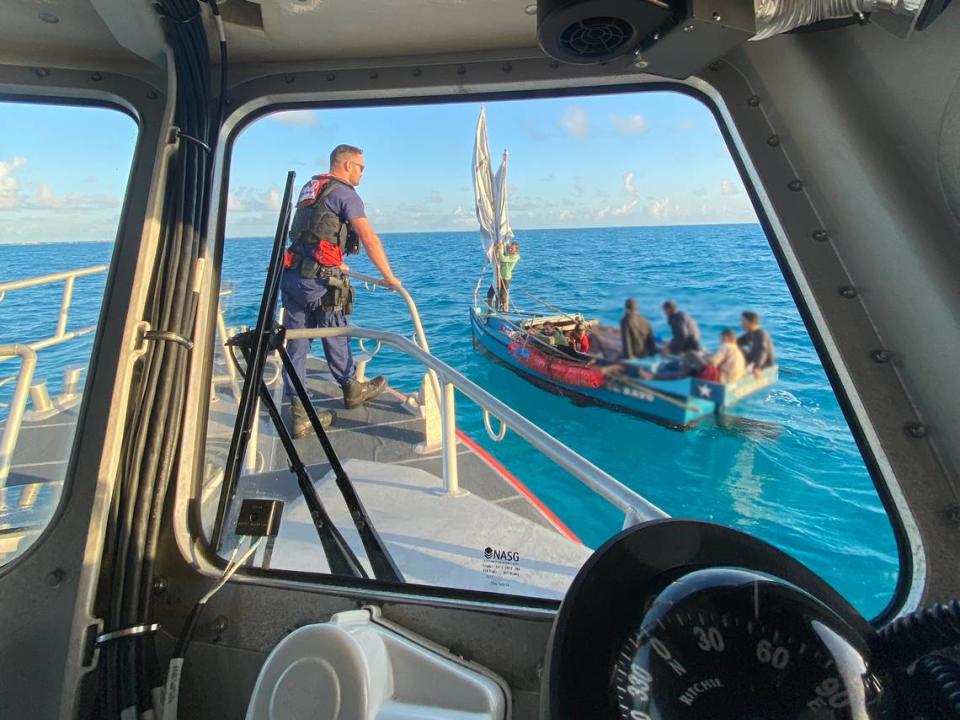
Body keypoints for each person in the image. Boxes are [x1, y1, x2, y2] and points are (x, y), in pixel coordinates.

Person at [281, 144, 402, 438]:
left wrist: (336, 262)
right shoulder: (346, 193)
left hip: (292, 275)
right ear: (347, 165)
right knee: (335, 331)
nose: (362, 173)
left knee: (296, 344)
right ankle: (351, 390)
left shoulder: (312, 187)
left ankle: (299, 414)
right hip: (319, 282)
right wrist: (389, 278)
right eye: (361, 167)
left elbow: (313, 233)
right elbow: (368, 237)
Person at [738, 310, 776, 378]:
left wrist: (757, 367)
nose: (742, 324)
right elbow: (739, 341)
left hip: (763, 365)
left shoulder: (761, 335)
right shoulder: (752, 333)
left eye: (744, 322)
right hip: (754, 360)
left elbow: (762, 351)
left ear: (750, 323)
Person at [486, 241, 520, 311]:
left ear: (516, 250)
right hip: (498, 276)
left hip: (506, 278)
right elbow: (502, 252)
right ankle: (490, 309)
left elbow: (503, 259)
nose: (510, 249)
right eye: (510, 248)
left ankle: (505, 312)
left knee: (503, 296)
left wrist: (499, 250)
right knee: (490, 293)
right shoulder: (508, 253)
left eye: (512, 249)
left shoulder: (516, 257)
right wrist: (498, 246)